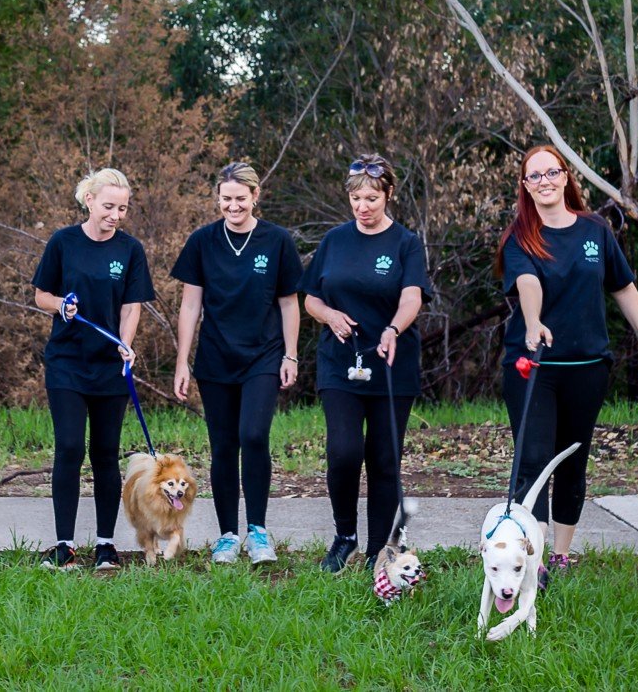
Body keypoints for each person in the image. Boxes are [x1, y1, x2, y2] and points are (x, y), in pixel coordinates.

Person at [497, 145, 638, 585]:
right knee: (533, 460)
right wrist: (534, 323)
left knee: (572, 461)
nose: (545, 181)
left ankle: (562, 555)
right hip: (534, 366)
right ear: (525, 185)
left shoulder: (596, 231)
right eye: (535, 176)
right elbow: (528, 282)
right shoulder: (520, 236)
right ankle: (530, 557)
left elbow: (623, 286)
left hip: (588, 367)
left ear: (566, 177)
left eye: (552, 172)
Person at [302, 153, 431, 573]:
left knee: (383, 457)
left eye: (372, 197)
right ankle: (345, 537)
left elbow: (412, 297)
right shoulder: (334, 241)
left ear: (388, 195)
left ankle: (380, 549)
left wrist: (393, 328)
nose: (363, 206)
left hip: (392, 362)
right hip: (340, 362)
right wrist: (329, 315)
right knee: (343, 451)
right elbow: (311, 298)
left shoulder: (406, 244)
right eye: (357, 198)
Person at [172, 161, 303, 565]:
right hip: (215, 358)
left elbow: (289, 304)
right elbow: (190, 305)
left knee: (253, 436)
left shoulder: (276, 240)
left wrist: (290, 354)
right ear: (218, 199)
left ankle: (258, 532)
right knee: (223, 446)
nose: (233, 206)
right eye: (226, 199)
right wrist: (182, 362)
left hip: (263, 355)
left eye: (240, 199)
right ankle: (228, 534)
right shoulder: (202, 241)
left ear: (255, 196)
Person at [31, 168, 155, 571]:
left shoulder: (130, 250)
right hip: (66, 362)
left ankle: (105, 545)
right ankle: (63, 545)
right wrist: (59, 305)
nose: (116, 215)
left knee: (106, 453)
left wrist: (125, 344)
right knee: (69, 448)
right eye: (108, 206)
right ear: (89, 200)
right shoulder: (63, 242)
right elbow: (40, 295)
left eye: (122, 208)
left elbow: (131, 305)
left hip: (109, 367)